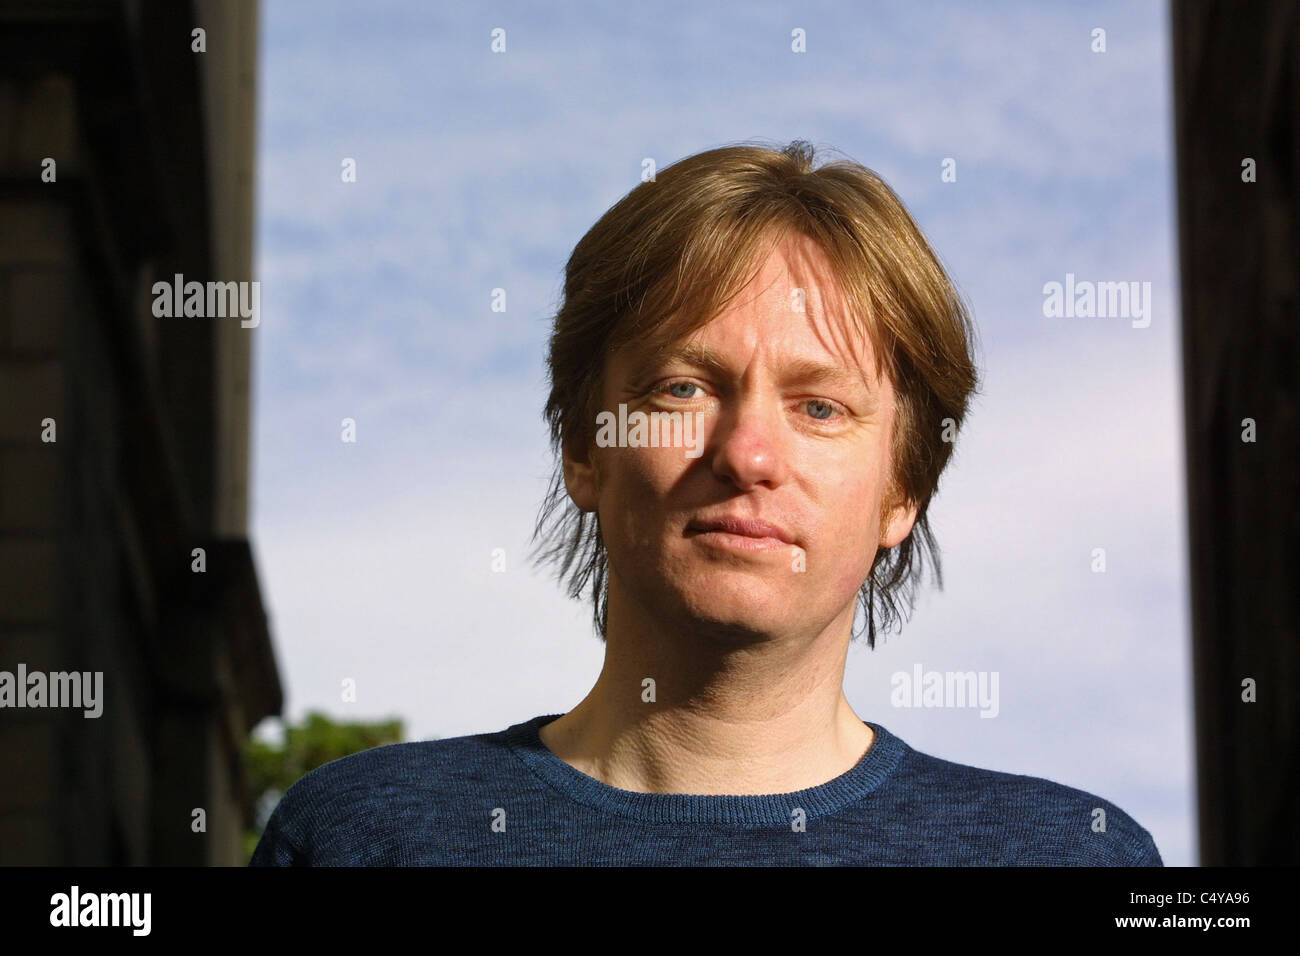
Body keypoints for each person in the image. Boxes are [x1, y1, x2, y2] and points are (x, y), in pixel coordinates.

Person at [250, 140, 1162, 866]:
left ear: (903, 489)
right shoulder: (367, 838)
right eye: (683, 390)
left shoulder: (1069, 855)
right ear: (584, 449)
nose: (748, 454)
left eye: (820, 407)